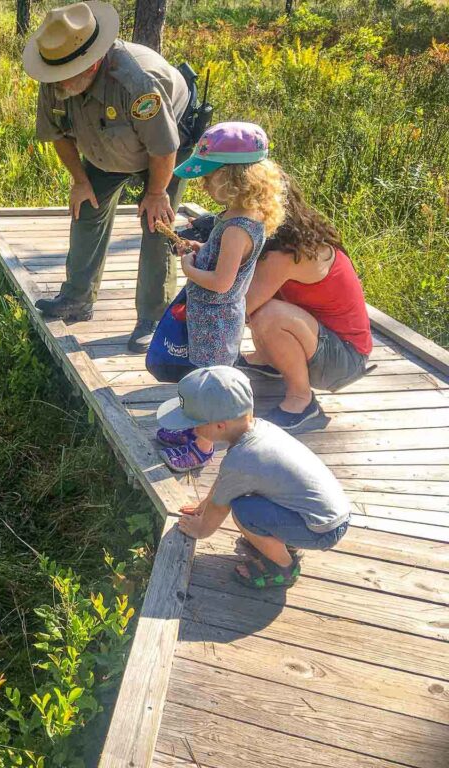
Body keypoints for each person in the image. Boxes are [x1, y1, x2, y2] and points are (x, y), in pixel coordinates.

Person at [23, 1, 193, 352]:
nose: (57, 83)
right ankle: (77, 298)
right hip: (105, 146)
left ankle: (152, 317)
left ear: (91, 62)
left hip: (166, 149)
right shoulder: (54, 75)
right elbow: (57, 134)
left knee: (156, 223)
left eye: (67, 73)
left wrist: (157, 192)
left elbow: (163, 145)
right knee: (86, 207)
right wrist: (80, 181)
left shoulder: (137, 82)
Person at [154, 122, 286, 472]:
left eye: (209, 177)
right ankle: (194, 428)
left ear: (232, 178)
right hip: (210, 315)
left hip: (216, 317)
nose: (203, 183)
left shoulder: (237, 228)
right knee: (202, 375)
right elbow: (223, 260)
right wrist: (199, 248)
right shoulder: (235, 218)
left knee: (212, 383)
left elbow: (222, 282)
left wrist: (188, 268)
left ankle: (202, 446)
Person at [158, 366, 351, 589]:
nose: (191, 431)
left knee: (244, 511)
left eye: (194, 424)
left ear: (220, 425)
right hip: (328, 514)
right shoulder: (260, 430)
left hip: (321, 530)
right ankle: (281, 541)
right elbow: (225, 481)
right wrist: (203, 505)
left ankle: (282, 568)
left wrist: (200, 530)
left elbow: (221, 508)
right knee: (247, 502)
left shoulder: (242, 458)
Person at [239, 174, 373, 430]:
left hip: (344, 360)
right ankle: (269, 361)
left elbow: (243, 307)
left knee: (267, 314)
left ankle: (301, 401)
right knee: (266, 307)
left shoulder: (286, 254)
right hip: (330, 344)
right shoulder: (298, 238)